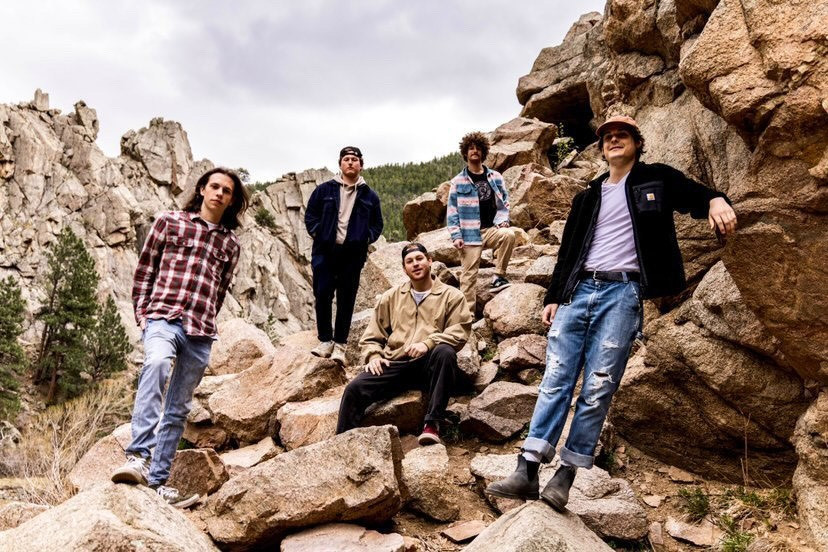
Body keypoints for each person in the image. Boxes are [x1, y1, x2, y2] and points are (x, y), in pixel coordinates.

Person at [485, 115, 737, 510]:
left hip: (622, 292)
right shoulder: (587, 197)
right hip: (579, 289)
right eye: (607, 138)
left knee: (599, 383)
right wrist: (554, 295)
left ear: (636, 142)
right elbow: (567, 252)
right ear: (601, 149)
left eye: (622, 135)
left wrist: (716, 200)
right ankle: (527, 468)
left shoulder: (656, 178)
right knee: (556, 378)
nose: (613, 140)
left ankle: (567, 474)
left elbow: (695, 195)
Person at [112, 167, 249, 508]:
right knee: (156, 364)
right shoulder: (170, 222)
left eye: (226, 190)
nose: (219, 193)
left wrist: (206, 319)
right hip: (162, 317)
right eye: (213, 186)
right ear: (202, 189)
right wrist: (143, 316)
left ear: (232, 200)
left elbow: (220, 291)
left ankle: (157, 481)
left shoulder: (230, 244)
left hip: (200, 332)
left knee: (178, 408)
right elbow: (145, 270)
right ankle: (138, 457)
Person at [336, 243, 472, 445]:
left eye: (419, 259)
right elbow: (372, 335)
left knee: (445, 352)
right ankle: (342, 446)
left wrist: (428, 343)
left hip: (428, 365)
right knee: (354, 389)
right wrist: (374, 355)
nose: (415, 264)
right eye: (410, 261)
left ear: (430, 261)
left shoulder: (451, 295)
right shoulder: (391, 297)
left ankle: (432, 424)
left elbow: (460, 331)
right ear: (404, 268)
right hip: (395, 364)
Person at [305, 146, 383, 364]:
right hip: (325, 251)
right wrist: (318, 233)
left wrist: (365, 238)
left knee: (346, 299)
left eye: (354, 159)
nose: (350, 162)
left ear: (361, 164)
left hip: (352, 255)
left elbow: (378, 225)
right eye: (346, 159)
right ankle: (325, 341)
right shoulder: (324, 190)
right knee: (322, 294)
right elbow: (310, 215)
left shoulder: (369, 195)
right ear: (340, 164)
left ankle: (341, 345)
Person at [447, 131, 516, 317]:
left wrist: (502, 222)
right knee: (468, 277)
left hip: (490, 230)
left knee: (509, 235)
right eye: (471, 148)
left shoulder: (495, 177)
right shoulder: (457, 181)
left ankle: (498, 277)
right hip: (469, 234)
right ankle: (466, 317)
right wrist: (456, 236)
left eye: (478, 148)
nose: (474, 151)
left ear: (483, 152)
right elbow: (452, 212)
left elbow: (504, 203)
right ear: (465, 153)